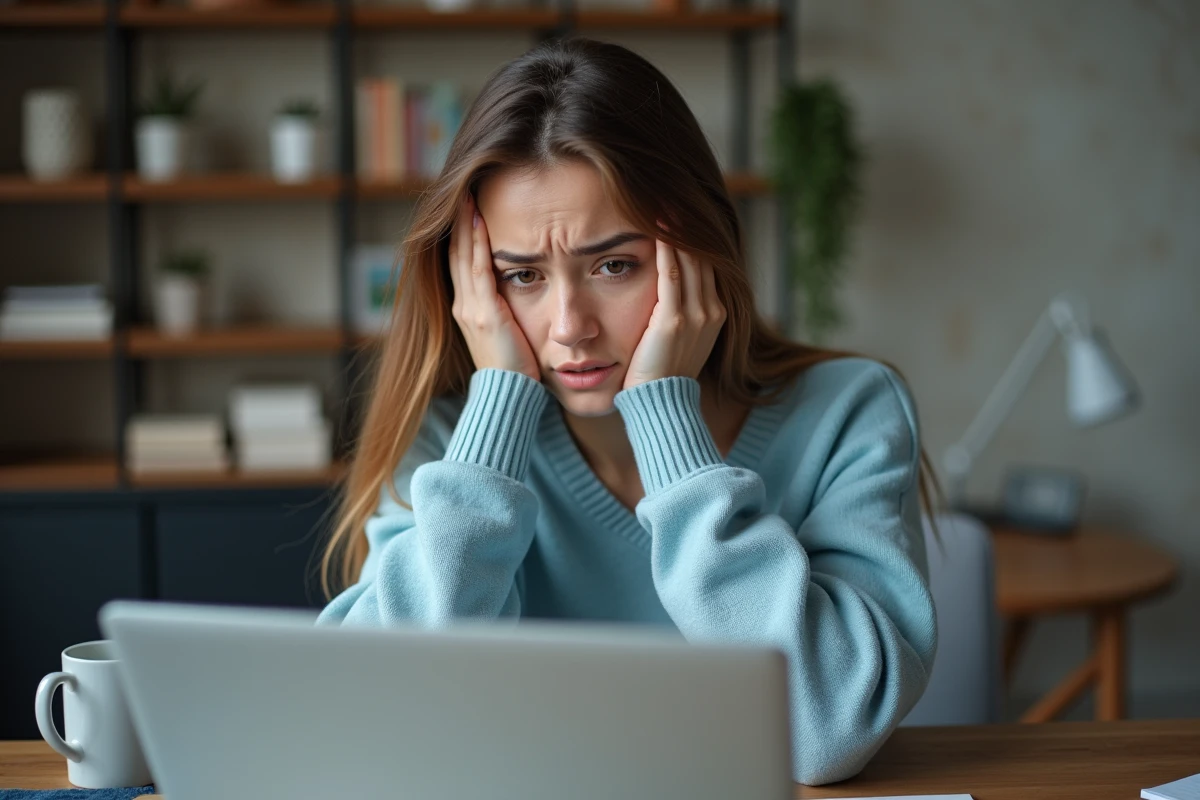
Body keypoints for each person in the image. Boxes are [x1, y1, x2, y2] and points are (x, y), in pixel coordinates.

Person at [315, 36, 939, 786]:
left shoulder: (848, 412)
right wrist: (494, 429)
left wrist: (666, 427)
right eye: (522, 276)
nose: (569, 325)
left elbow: (827, 730)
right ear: (473, 288)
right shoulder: (451, 444)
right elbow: (382, 719)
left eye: (614, 265)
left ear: (698, 256)